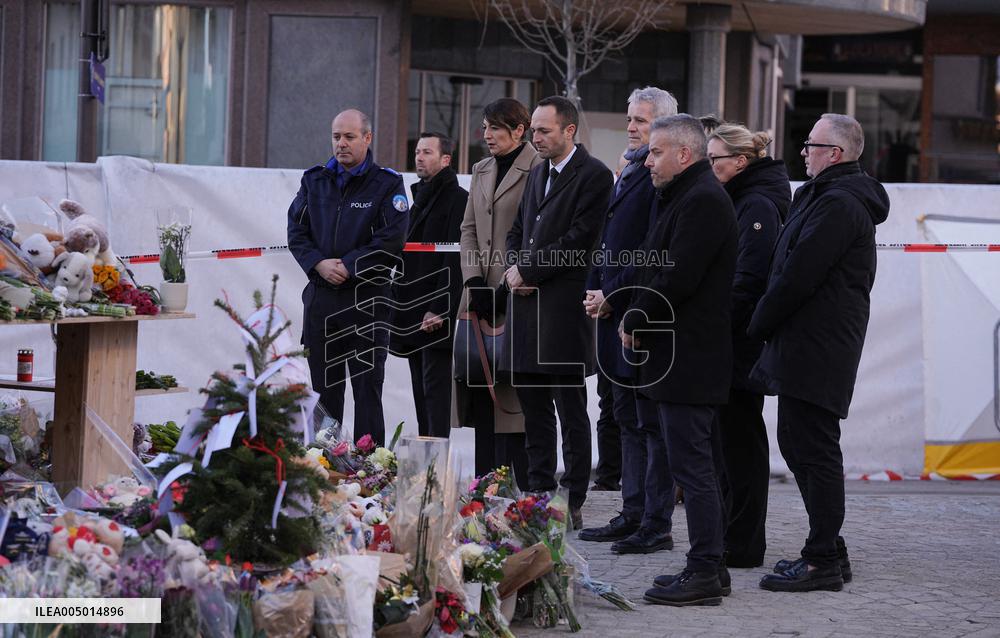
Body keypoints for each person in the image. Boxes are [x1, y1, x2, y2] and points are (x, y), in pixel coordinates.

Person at [752, 113, 889, 592]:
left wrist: (758, 323)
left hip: (820, 343)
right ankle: (829, 546)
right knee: (798, 443)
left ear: (835, 153)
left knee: (813, 447)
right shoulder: (823, 195)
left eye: (811, 144)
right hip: (807, 340)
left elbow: (799, 274)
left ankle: (822, 560)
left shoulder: (840, 203)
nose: (803, 151)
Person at [621, 114, 737, 607]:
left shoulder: (703, 200)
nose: (647, 161)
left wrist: (635, 317)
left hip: (690, 358)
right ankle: (710, 565)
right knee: (691, 464)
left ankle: (706, 569)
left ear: (684, 154)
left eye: (656, 151)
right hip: (677, 355)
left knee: (693, 469)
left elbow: (678, 276)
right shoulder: (683, 196)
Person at [502, 96, 613, 530]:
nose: (536, 137)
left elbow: (580, 239)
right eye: (534, 129)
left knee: (570, 410)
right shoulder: (537, 172)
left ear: (569, 130)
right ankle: (539, 490)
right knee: (534, 410)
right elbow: (517, 230)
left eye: (544, 130)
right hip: (526, 309)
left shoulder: (595, 175)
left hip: (564, 312)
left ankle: (573, 497)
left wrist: (528, 270)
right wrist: (515, 268)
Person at [579, 87, 678, 556]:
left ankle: (654, 521)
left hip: (636, 312)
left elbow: (647, 249)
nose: (632, 126)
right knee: (624, 416)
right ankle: (632, 512)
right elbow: (608, 239)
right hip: (610, 311)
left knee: (647, 423)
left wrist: (613, 294)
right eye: (630, 118)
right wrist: (595, 290)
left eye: (641, 120)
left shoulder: (658, 178)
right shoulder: (631, 168)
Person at [287, 109, 408, 446]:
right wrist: (319, 264)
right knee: (325, 393)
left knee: (367, 390)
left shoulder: (387, 184)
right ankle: (325, 463)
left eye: (349, 137)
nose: (341, 143)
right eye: (336, 136)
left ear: (367, 138)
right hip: (322, 301)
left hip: (367, 302)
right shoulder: (314, 180)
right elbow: (296, 232)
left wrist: (350, 265)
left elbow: (392, 238)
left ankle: (370, 466)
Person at [706, 123, 791, 568]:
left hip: (739, 344)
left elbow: (749, 281)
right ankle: (732, 536)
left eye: (715, 159)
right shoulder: (740, 197)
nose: (709, 166)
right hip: (730, 340)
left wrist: (715, 325)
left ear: (740, 162)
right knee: (728, 444)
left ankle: (743, 542)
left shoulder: (756, 203)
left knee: (740, 445)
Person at [455, 98, 541, 485]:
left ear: (519, 130)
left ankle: (520, 493)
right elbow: (468, 230)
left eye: (495, 128)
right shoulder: (481, 168)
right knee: (479, 393)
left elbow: (535, 235)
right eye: (485, 127)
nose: (486, 135)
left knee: (515, 400)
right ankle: (483, 489)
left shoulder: (538, 167)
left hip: (518, 295)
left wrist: (506, 286)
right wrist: (474, 281)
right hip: (478, 298)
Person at [390, 132, 467, 438]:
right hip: (411, 310)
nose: (419, 157)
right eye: (417, 151)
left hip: (434, 315)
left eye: (427, 152)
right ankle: (426, 457)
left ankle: (437, 457)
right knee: (421, 391)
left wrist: (439, 308)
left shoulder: (458, 199)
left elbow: (455, 259)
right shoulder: (418, 197)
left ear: (445, 159)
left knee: (436, 394)